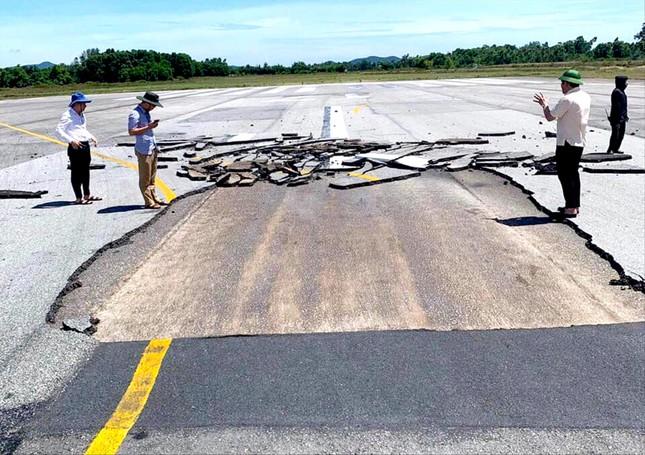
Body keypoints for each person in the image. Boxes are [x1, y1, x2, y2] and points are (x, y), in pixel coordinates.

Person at [533, 69, 591, 218]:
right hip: (579, 140)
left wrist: (544, 104)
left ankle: (570, 208)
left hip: (566, 142)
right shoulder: (585, 96)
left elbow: (550, 116)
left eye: (562, 83)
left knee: (565, 175)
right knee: (573, 174)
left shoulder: (567, 100)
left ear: (567, 83)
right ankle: (573, 205)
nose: (561, 86)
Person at [56, 92, 101, 204]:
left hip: (85, 145)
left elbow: (82, 129)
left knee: (85, 171)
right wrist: (71, 141)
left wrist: (91, 136)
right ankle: (78, 197)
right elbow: (58, 131)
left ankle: (87, 195)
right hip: (75, 147)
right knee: (76, 172)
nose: (85, 106)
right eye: (83, 104)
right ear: (76, 104)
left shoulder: (81, 115)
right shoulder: (67, 115)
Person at [128, 91, 167, 209]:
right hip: (143, 149)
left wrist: (150, 126)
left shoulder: (146, 113)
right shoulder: (135, 114)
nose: (154, 108)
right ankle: (148, 201)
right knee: (145, 177)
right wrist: (149, 127)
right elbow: (131, 131)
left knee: (152, 177)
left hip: (151, 147)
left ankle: (155, 197)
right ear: (147, 103)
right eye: (153, 105)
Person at [607, 75, 629, 154]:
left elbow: (623, 106)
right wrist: (618, 118)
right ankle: (610, 149)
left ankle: (615, 148)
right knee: (615, 135)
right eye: (625, 82)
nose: (627, 84)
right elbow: (617, 107)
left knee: (620, 134)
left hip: (622, 117)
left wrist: (625, 116)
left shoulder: (621, 91)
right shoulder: (617, 92)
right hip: (617, 118)